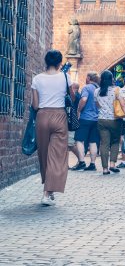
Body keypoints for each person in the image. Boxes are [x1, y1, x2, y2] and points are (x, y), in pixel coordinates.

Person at [32, 49, 74, 206]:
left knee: (44, 154)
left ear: (45, 62)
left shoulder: (37, 79)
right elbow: (73, 97)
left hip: (42, 116)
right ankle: (47, 193)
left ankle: (47, 190)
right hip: (59, 116)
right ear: (59, 63)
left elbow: (35, 105)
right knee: (57, 155)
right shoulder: (65, 77)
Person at [94, 70, 125, 175]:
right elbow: (123, 105)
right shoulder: (117, 90)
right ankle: (112, 164)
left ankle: (105, 169)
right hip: (115, 120)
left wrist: (104, 109)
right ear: (111, 79)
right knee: (115, 141)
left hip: (101, 120)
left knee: (104, 144)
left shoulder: (97, 91)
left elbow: (97, 105)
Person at [73, 72, 100, 171]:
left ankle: (81, 162)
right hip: (96, 119)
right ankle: (92, 164)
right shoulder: (99, 89)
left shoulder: (87, 88)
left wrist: (79, 110)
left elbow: (84, 99)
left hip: (85, 117)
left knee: (79, 140)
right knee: (93, 141)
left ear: (88, 78)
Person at [68, 82, 81, 166]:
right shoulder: (78, 95)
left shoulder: (75, 96)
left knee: (70, 144)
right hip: (71, 122)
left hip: (72, 122)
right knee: (67, 144)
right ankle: (66, 164)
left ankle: (81, 159)